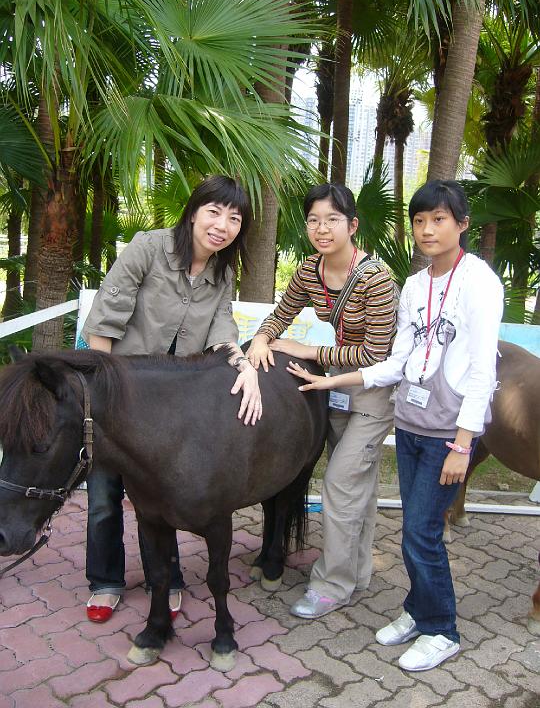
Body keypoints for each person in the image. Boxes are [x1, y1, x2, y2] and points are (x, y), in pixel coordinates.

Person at [287, 179, 504, 671]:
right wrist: (332, 381)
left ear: (462, 224)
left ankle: (441, 628)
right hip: (409, 421)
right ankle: (417, 608)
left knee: (422, 533)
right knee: (412, 527)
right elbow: (396, 362)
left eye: (439, 220)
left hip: (449, 430)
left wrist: (464, 444)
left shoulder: (480, 282)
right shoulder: (416, 285)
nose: (427, 230)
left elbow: (482, 369)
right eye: (419, 221)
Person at [82, 175, 262, 623]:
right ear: (193, 212)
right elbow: (103, 323)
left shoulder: (222, 272)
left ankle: (165, 577)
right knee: (104, 496)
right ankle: (105, 581)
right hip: (120, 393)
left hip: (170, 410)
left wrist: (245, 366)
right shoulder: (148, 248)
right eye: (214, 212)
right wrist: (105, 396)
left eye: (234, 218)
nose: (222, 225)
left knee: (162, 495)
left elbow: (222, 328)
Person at [247, 183, 397, 618]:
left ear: (353, 225)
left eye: (332, 219)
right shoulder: (310, 269)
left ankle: (332, 585)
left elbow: (377, 353)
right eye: (313, 220)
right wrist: (261, 339)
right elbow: (282, 312)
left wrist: (310, 350)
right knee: (358, 488)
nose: (321, 228)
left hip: (374, 389)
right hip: (336, 387)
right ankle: (358, 572)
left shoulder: (376, 277)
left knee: (340, 485)